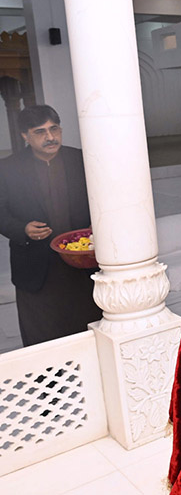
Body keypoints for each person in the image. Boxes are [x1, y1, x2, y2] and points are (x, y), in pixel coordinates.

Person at [0, 105, 102, 346]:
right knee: (42, 330)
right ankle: (47, 379)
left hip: (81, 261)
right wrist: (22, 229)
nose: (50, 137)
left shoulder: (80, 158)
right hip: (36, 264)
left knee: (86, 322)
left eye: (54, 129)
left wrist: (96, 229)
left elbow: (103, 198)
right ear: (25, 136)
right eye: (40, 132)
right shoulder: (7, 169)